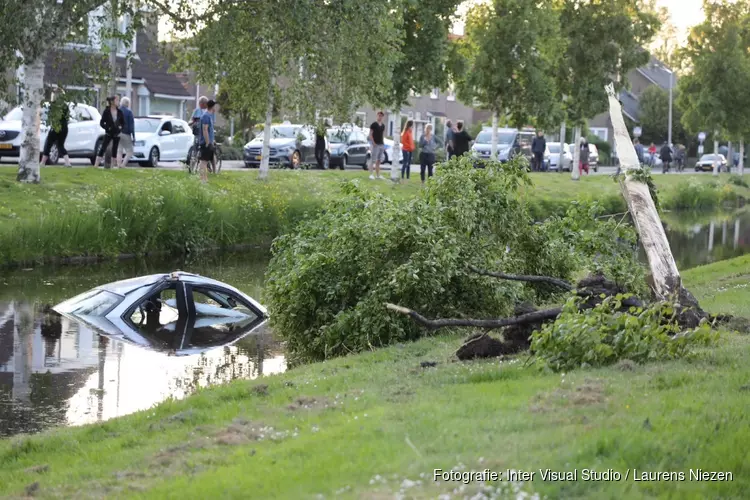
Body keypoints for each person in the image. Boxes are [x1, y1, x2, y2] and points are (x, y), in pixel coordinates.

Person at [40, 94, 71, 168]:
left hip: (55, 127)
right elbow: (67, 118)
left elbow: (51, 116)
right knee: (60, 145)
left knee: (48, 144)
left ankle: (43, 163)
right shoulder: (65, 106)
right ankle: (68, 163)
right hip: (64, 127)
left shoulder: (53, 106)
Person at [94, 95, 124, 169]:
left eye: (119, 100)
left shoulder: (120, 112)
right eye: (117, 100)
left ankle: (112, 166)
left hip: (117, 133)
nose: (118, 102)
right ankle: (96, 165)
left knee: (115, 149)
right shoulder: (107, 111)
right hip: (108, 133)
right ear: (112, 102)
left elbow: (123, 123)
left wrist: (120, 128)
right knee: (103, 148)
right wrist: (107, 128)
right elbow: (102, 122)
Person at [198, 99, 216, 183]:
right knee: (204, 162)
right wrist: (208, 142)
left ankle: (205, 179)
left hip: (209, 142)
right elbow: (205, 129)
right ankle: (202, 180)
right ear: (213, 107)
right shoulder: (206, 116)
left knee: (206, 161)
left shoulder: (209, 116)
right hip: (205, 143)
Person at [117, 97, 135, 168]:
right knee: (130, 151)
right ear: (128, 104)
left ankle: (118, 165)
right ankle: (123, 164)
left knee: (119, 150)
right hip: (126, 133)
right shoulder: (129, 112)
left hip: (117, 133)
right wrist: (133, 136)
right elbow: (131, 125)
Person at [368, 111, 386, 180]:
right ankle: (371, 174)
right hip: (375, 144)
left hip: (381, 144)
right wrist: (373, 142)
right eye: (379, 115)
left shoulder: (383, 125)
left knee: (379, 160)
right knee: (373, 159)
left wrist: (383, 144)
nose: (380, 117)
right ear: (377, 116)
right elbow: (370, 134)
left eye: (381, 116)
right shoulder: (374, 124)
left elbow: (382, 135)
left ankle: (378, 175)